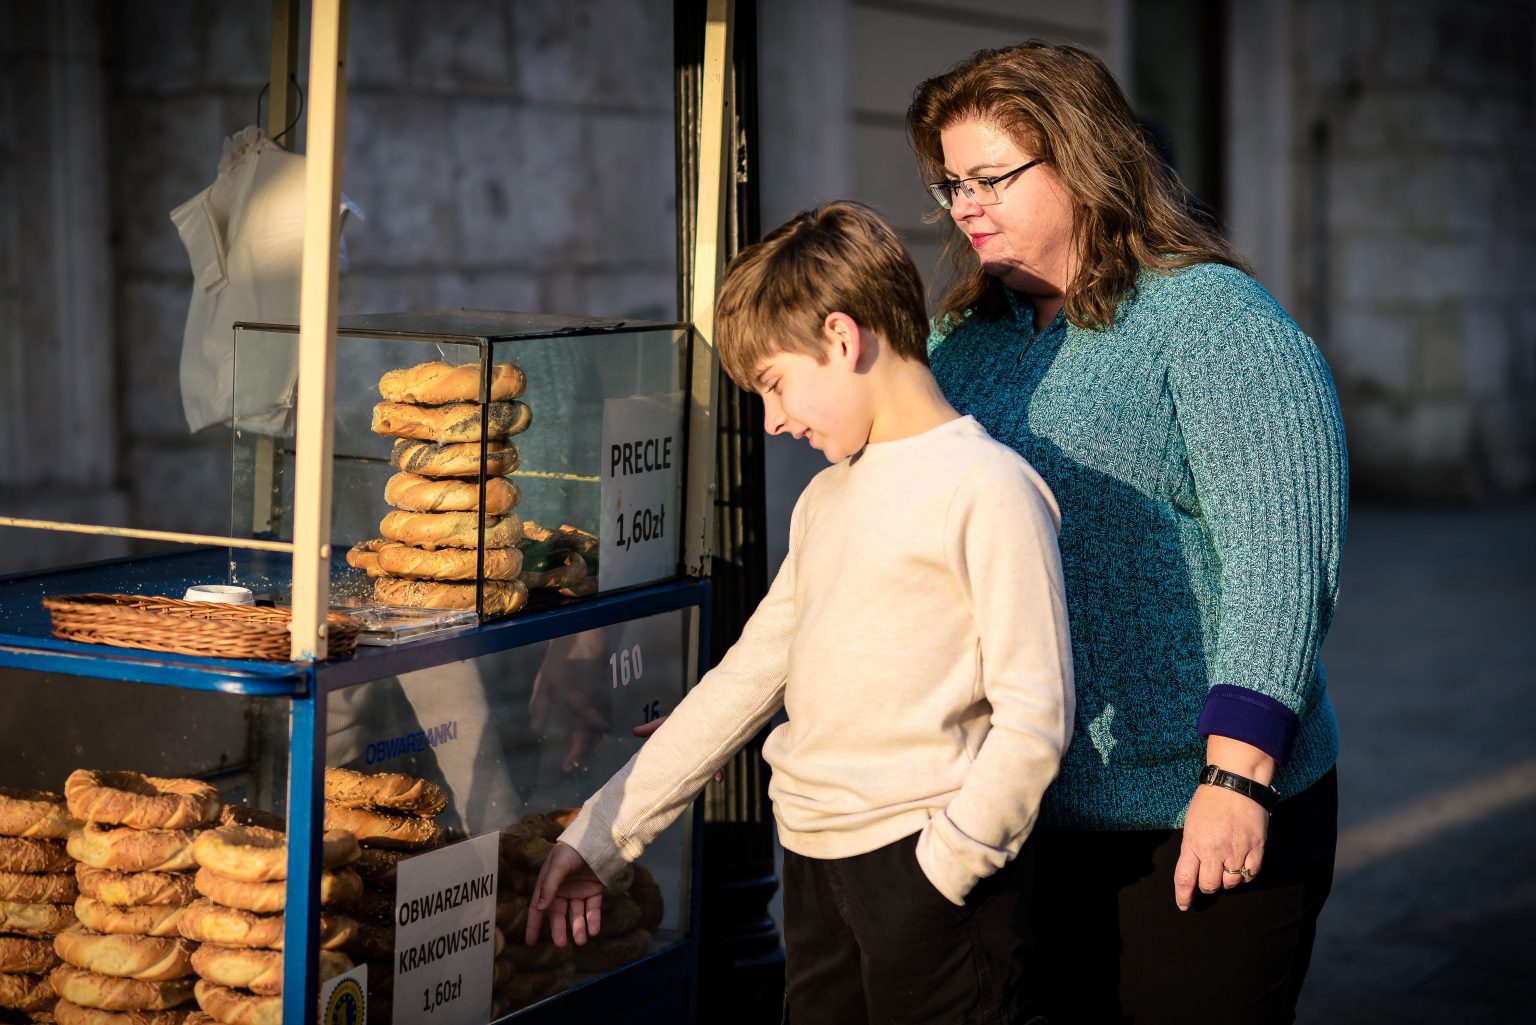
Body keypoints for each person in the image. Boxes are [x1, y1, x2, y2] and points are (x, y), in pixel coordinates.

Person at [524, 201, 1074, 1025]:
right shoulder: (825, 499)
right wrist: (601, 833)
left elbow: (1037, 717)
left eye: (776, 384)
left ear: (843, 338)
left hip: (927, 882)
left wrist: (946, 868)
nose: (774, 419)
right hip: (815, 873)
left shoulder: (988, 490)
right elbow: (745, 678)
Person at [906, 41, 1347, 1024]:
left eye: (991, 178)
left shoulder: (1208, 317)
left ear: (1082, 159)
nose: (965, 205)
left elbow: (1281, 558)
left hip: (1192, 807)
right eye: (950, 183)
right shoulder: (958, 343)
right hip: (1022, 815)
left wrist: (1237, 774)